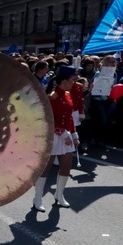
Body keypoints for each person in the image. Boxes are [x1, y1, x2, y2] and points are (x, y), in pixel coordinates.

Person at [33, 68, 78, 211]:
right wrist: (63, 133)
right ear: (64, 81)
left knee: (66, 166)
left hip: (66, 135)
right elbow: (49, 119)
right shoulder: (52, 96)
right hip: (53, 136)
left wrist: (74, 134)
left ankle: (59, 195)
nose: (74, 82)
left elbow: (69, 117)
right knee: (46, 168)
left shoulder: (67, 94)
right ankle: (38, 198)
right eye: (72, 80)